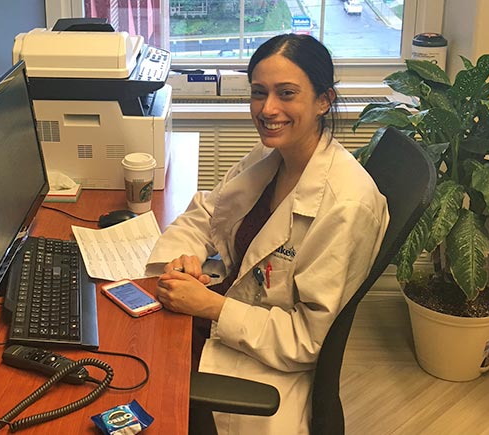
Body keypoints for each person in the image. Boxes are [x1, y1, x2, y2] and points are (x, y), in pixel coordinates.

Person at [146, 34, 390, 434]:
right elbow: (208, 211)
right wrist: (183, 258)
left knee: (129, 384)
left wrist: (211, 307)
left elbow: (307, 340)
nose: (267, 109)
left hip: (260, 360)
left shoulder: (347, 206)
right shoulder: (272, 154)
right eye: (259, 93)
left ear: (323, 100)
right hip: (223, 313)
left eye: (286, 93)